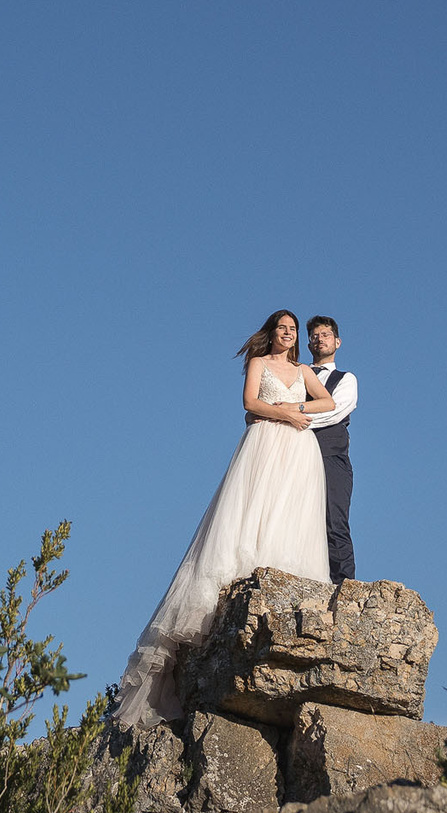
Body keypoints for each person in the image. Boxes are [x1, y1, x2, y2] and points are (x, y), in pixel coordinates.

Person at [114, 309, 335, 725]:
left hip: (297, 447)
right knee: (251, 505)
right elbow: (249, 402)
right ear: (271, 333)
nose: (288, 334)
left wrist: (297, 406)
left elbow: (329, 400)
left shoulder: (303, 369)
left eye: (292, 330)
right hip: (266, 439)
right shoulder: (259, 363)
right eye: (282, 329)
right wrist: (281, 412)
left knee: (289, 509)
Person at [302, 315, 358, 582]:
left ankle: (343, 584)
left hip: (330, 456)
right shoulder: (297, 375)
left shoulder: (346, 379)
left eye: (325, 334)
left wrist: (294, 420)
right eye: (314, 335)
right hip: (294, 454)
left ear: (337, 341)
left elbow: (334, 412)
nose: (319, 338)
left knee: (334, 520)